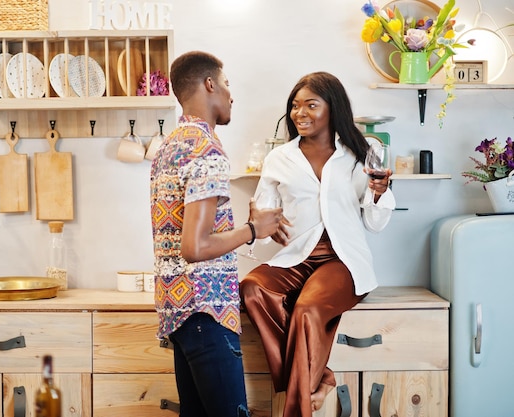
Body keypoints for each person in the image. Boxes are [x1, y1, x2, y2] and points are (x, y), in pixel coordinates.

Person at [240, 72, 396, 417]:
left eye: (311, 105)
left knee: (306, 310)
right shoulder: (279, 158)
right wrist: (259, 221)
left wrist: (378, 194)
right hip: (296, 258)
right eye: (295, 106)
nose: (300, 113)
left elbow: (375, 223)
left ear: (332, 108)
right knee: (251, 288)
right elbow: (265, 219)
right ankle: (320, 376)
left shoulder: (362, 153)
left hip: (341, 262)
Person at [149, 51, 282, 417]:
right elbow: (196, 246)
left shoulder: (169, 148)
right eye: (226, 84)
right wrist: (253, 230)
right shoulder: (207, 148)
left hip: (178, 313)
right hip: (207, 312)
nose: (231, 94)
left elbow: (187, 233)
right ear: (209, 84)